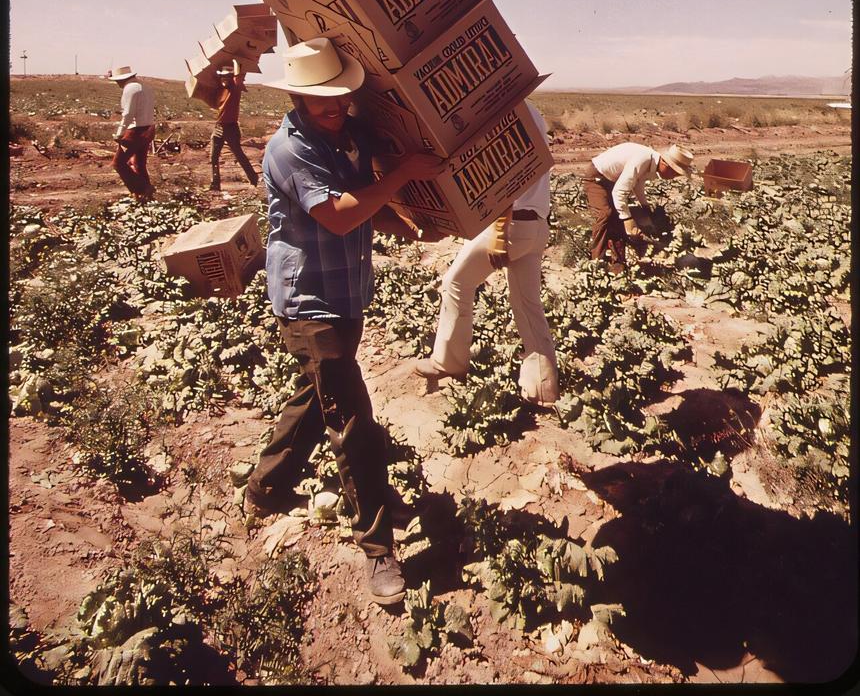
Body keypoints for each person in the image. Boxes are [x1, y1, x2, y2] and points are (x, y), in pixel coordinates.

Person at [243, 37, 445, 606]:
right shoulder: (289, 151)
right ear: (297, 98)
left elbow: (365, 201)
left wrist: (409, 226)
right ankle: (377, 548)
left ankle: (265, 487)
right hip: (309, 300)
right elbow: (336, 216)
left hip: (346, 291)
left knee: (318, 396)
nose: (334, 110)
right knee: (352, 421)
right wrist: (404, 174)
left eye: (339, 100)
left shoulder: (349, 134)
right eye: (321, 103)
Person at [414, 104, 559, 407]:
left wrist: (499, 231)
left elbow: (504, 179)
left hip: (511, 225)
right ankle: (542, 388)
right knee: (527, 304)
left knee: (456, 282)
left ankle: (448, 363)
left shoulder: (500, 116)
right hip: (537, 224)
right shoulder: (532, 112)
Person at [578, 142, 694, 269]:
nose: (674, 177)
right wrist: (628, 220)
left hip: (611, 180)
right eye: (674, 172)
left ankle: (617, 263)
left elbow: (638, 183)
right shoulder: (643, 159)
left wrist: (645, 207)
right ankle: (596, 262)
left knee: (617, 219)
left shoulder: (650, 161)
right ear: (665, 163)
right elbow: (619, 192)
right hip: (596, 178)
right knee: (606, 214)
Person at [206, 62, 258, 191]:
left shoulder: (235, 88)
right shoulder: (219, 90)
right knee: (213, 156)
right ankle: (215, 184)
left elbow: (238, 76)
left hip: (231, 128)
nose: (224, 79)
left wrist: (235, 61)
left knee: (239, 155)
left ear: (231, 77)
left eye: (226, 77)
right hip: (219, 127)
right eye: (222, 76)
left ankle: (253, 179)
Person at [107, 65, 156, 201]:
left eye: (117, 81)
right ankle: (145, 196)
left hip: (135, 131)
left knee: (119, 163)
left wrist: (119, 133)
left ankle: (143, 188)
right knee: (140, 164)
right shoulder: (146, 87)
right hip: (149, 128)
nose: (117, 83)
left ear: (121, 79)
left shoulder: (130, 89)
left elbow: (128, 114)